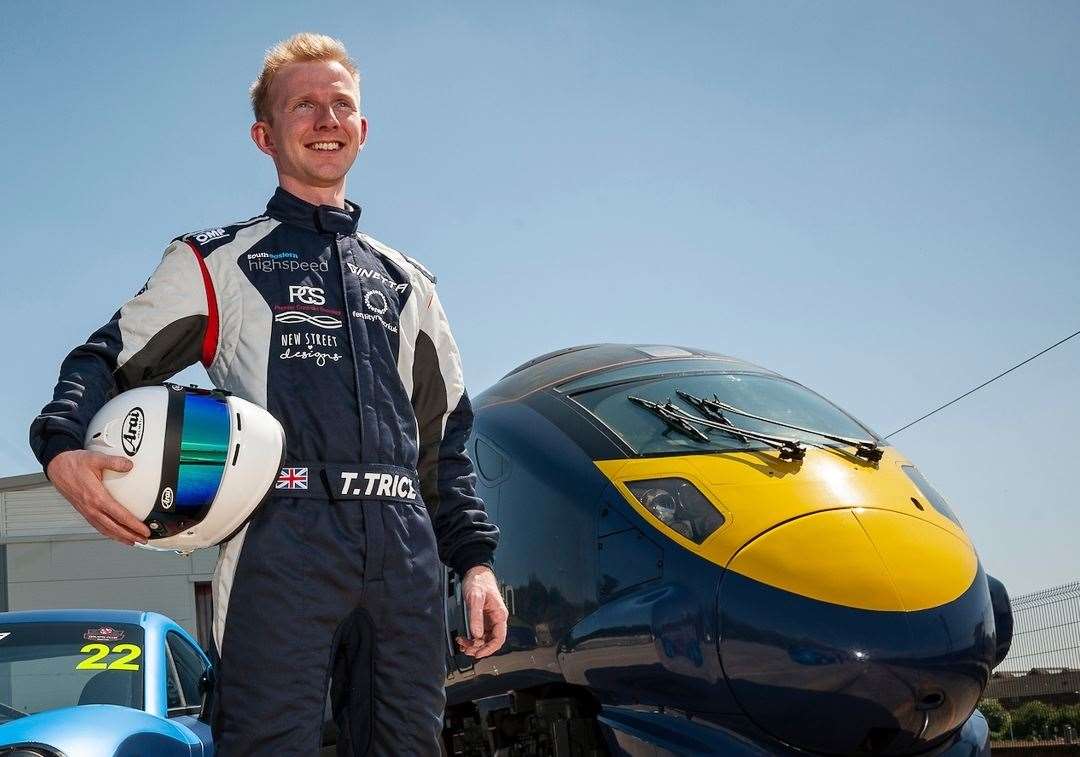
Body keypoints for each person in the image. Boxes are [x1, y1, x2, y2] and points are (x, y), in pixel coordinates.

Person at [29, 32, 507, 756]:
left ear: (363, 129)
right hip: (281, 545)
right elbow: (106, 357)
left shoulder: (409, 281)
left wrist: (474, 561)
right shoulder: (215, 260)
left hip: (405, 551)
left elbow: (447, 442)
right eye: (304, 105)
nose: (326, 119)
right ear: (265, 134)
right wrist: (63, 442)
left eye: (341, 105)